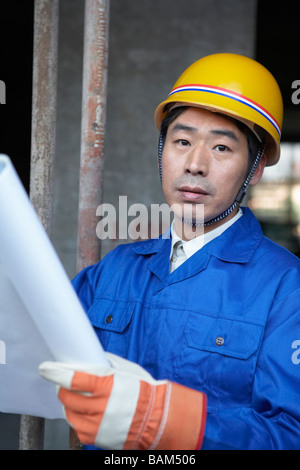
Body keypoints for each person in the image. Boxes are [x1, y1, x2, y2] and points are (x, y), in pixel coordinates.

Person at [40, 53, 300, 450]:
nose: (195, 164)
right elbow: (35, 342)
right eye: (182, 141)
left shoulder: (286, 288)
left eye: (222, 149)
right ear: (163, 151)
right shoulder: (117, 269)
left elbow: (290, 434)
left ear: (256, 167)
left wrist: (169, 423)